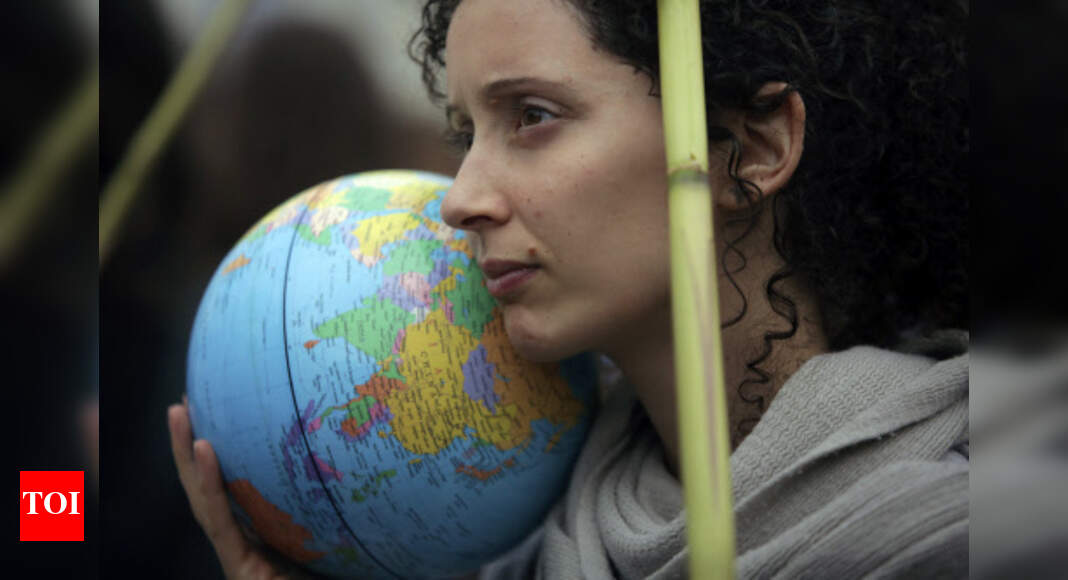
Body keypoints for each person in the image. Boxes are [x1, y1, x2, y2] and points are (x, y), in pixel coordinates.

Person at [169, 0, 969, 578]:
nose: (459, 197)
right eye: (465, 134)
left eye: (532, 115)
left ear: (751, 150)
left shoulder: (964, 530)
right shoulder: (515, 544)